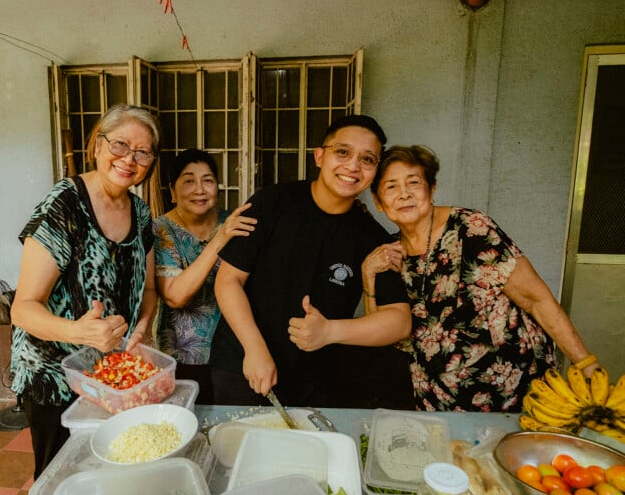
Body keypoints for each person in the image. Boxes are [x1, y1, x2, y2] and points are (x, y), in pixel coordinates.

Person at [362, 145, 597, 412]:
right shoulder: (390, 255)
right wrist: (367, 275)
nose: (404, 194)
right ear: (379, 202)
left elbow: (536, 299)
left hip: (514, 389)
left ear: (432, 189)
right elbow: (384, 332)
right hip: (442, 402)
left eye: (413, 182)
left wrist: (585, 363)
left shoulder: (472, 229)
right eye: (391, 187)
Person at [209, 114, 414, 409]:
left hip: (314, 380)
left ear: (374, 172)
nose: (353, 166)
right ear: (320, 156)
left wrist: (331, 331)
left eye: (367, 159)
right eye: (342, 152)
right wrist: (254, 349)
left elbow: (399, 321)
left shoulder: (372, 237)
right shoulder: (271, 203)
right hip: (241, 363)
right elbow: (228, 280)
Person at [10, 104, 160, 479]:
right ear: (97, 145)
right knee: (60, 477)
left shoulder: (141, 213)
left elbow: (151, 288)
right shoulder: (65, 205)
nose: (130, 159)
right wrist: (79, 332)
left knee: (109, 469)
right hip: (53, 375)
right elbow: (23, 308)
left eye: (143, 152)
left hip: (109, 376)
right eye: (120, 145)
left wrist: (142, 325)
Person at [153, 149, 256, 404]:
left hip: (234, 352)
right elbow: (175, 296)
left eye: (208, 180)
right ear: (172, 191)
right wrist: (219, 240)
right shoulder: (160, 230)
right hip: (182, 357)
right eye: (188, 181)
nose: (199, 189)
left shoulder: (235, 222)